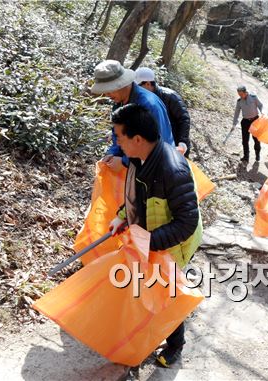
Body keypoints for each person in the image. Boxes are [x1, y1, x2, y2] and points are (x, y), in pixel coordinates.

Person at [108, 104, 202, 368]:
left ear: (137, 139)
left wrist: (150, 242)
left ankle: (175, 345)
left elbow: (187, 223)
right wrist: (121, 216)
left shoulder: (173, 169)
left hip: (173, 244)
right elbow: (135, 197)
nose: (117, 143)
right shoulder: (139, 159)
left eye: (119, 137)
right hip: (149, 236)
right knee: (148, 287)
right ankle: (146, 333)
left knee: (166, 295)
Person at [91, 60, 174, 171]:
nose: (106, 94)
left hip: (158, 168)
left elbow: (156, 145)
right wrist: (112, 153)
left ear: (121, 84)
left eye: (109, 90)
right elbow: (119, 136)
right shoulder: (119, 103)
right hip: (136, 165)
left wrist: (125, 162)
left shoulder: (148, 105)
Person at [135, 67, 191, 157]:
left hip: (176, 146)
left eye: (138, 86)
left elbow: (184, 119)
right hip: (155, 148)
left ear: (148, 84)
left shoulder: (170, 96)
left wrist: (182, 142)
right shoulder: (142, 99)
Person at [232, 85, 263, 162]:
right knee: (245, 140)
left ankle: (257, 154)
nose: (241, 96)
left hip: (255, 121)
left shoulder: (253, 97)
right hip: (245, 122)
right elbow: (237, 112)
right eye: (239, 94)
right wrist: (234, 123)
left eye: (242, 94)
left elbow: (260, 105)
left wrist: (262, 112)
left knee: (256, 139)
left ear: (245, 92)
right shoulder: (239, 101)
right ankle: (246, 156)